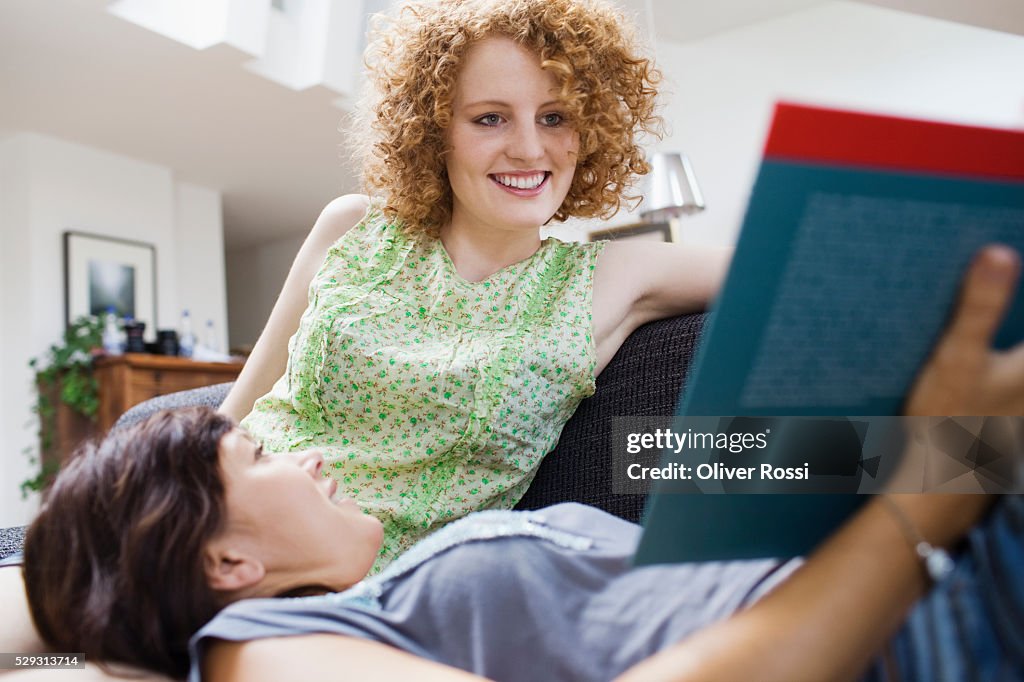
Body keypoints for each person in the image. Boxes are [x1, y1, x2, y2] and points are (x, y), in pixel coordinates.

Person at [12, 245, 1024, 682]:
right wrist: (918, 510)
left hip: (929, 539)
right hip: (922, 621)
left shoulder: (431, 557)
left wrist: (954, 450)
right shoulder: (258, 650)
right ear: (222, 560)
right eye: (262, 450)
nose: (311, 450)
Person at [216, 0, 732, 569]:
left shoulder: (610, 278)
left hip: (385, 595)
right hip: (220, 534)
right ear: (434, 131)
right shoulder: (353, 227)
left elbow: (800, 274)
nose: (530, 148)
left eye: (555, 117)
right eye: (490, 118)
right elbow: (228, 421)